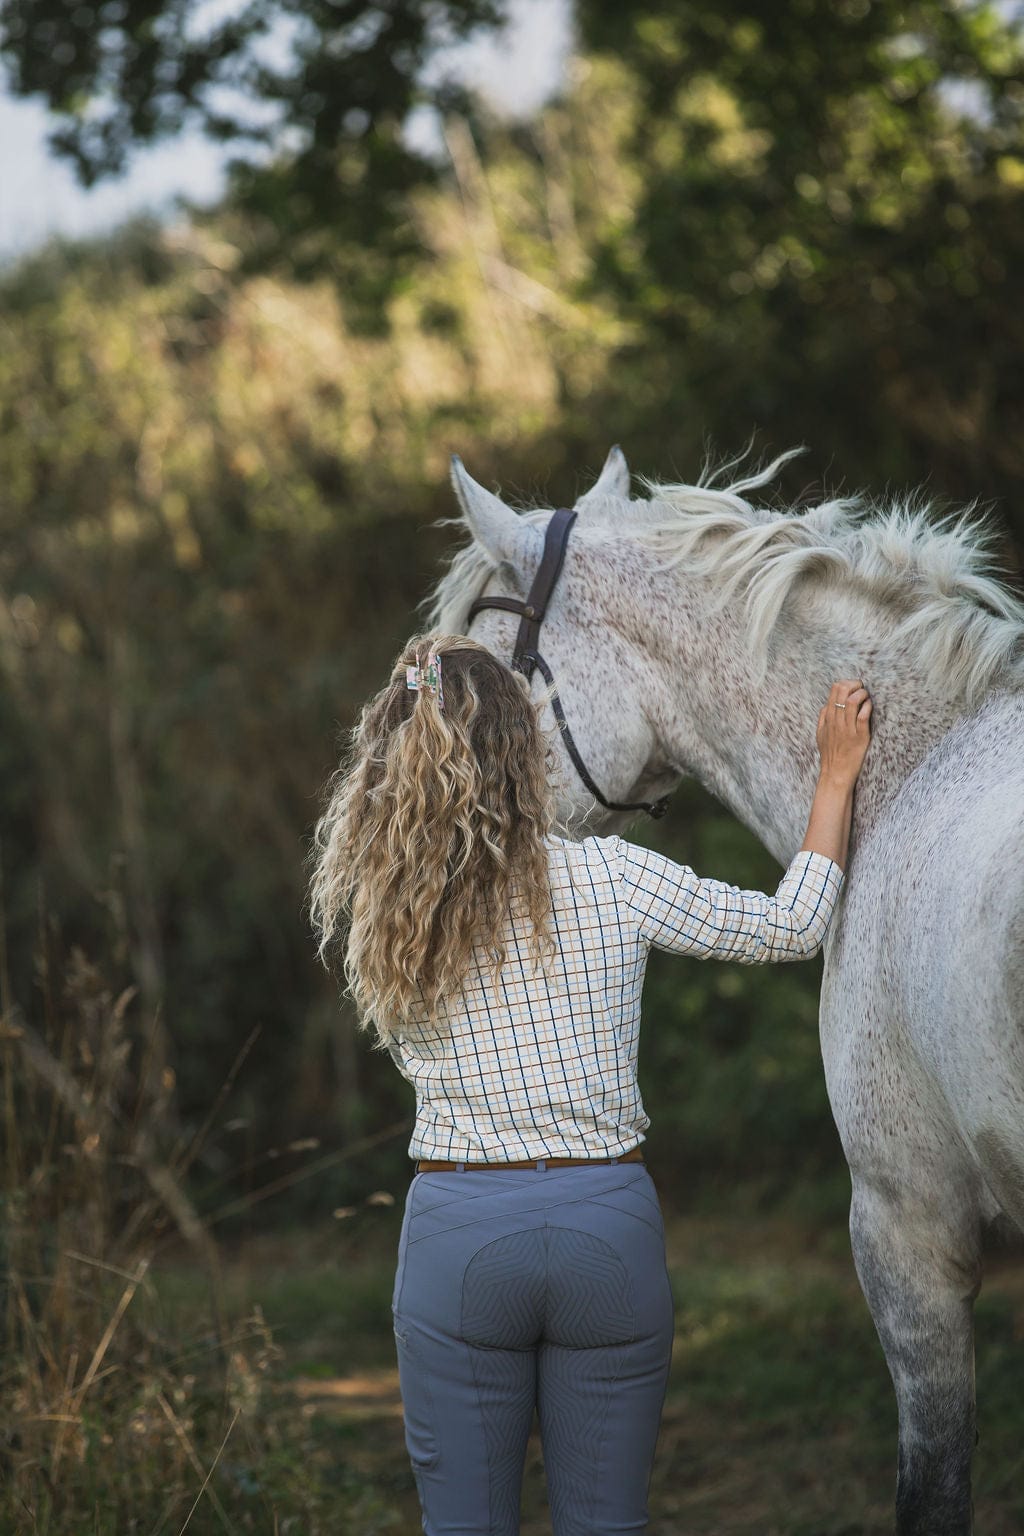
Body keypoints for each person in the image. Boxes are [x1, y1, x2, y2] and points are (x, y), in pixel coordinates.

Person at [308, 633, 872, 1536]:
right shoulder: (613, 876)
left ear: (396, 763)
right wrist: (835, 777)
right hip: (605, 1227)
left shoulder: (389, 913)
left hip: (460, 1235)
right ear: (524, 757)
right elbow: (793, 925)